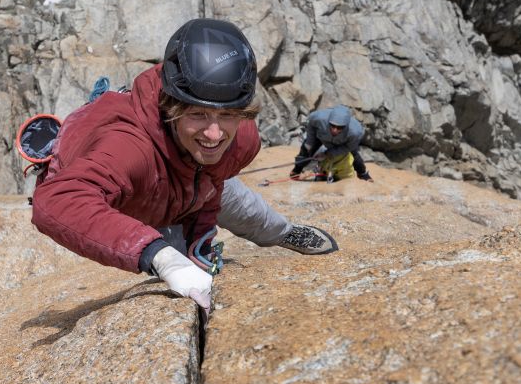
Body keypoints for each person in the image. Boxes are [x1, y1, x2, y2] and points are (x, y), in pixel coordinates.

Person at [31, 18, 336, 312]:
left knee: (241, 204)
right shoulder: (129, 148)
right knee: (180, 271)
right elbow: (56, 202)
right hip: (135, 193)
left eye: (227, 114)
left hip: (186, 180)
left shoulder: (241, 139)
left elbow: (214, 181)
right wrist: (161, 256)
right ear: (172, 108)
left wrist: (201, 237)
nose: (215, 134)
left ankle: (283, 233)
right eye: (198, 114)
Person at [293, 104, 373, 181]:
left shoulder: (355, 132)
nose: (335, 130)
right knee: (306, 150)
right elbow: (311, 126)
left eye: (339, 127)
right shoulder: (318, 117)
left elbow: (349, 147)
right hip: (321, 136)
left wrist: (328, 153)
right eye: (332, 125)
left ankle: (362, 173)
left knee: (355, 156)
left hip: (342, 142)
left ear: (346, 125)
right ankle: (297, 170)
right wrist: (309, 142)